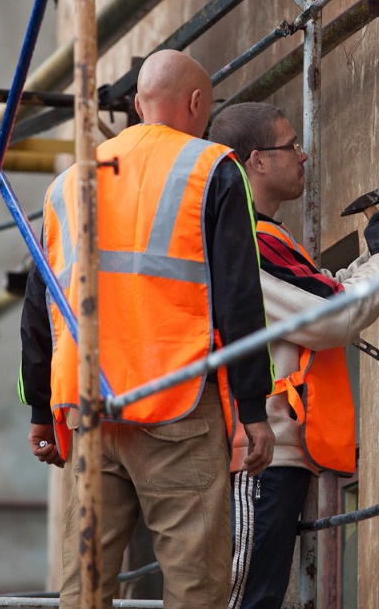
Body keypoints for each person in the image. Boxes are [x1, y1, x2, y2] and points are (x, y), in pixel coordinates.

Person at [17, 50, 276, 608]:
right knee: (195, 585)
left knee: (85, 588)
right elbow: (238, 296)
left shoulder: (68, 184)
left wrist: (41, 408)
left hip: (90, 409)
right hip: (177, 404)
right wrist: (253, 408)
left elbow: (40, 306)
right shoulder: (212, 168)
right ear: (196, 103)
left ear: (137, 105)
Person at [208, 102, 379, 609]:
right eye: (291, 145)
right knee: (245, 600)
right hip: (256, 454)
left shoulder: (268, 238)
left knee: (259, 596)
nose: (303, 155)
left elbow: (324, 292)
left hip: (279, 452)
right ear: (257, 160)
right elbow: (331, 319)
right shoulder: (245, 244)